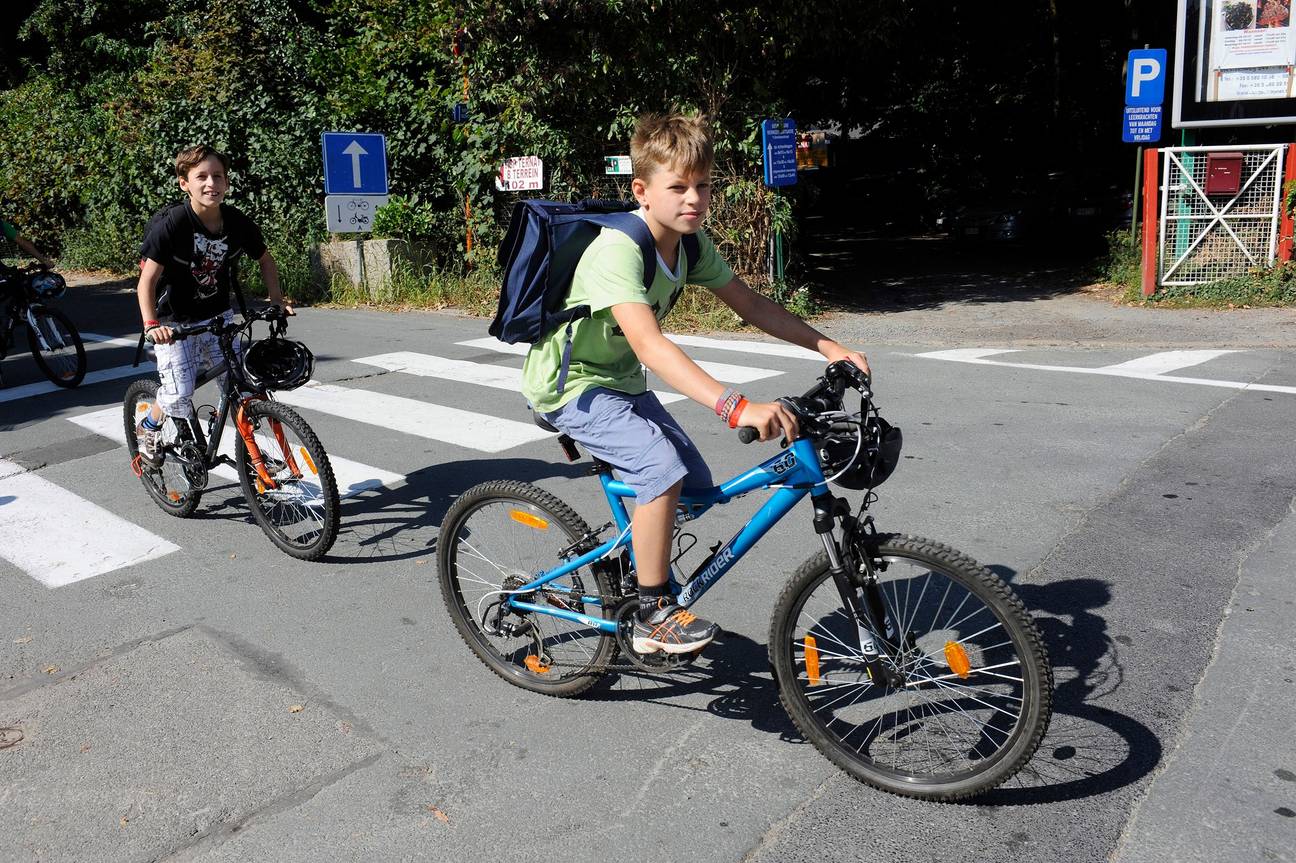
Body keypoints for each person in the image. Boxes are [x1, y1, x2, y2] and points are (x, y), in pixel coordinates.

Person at [521, 113, 870, 655]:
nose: (694, 199)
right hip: (572, 387)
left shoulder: (689, 245)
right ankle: (652, 610)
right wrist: (734, 406)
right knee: (660, 468)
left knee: (696, 486)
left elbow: (750, 303)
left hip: (619, 381)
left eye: (703, 186)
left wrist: (829, 346)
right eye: (678, 187)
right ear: (642, 190)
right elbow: (651, 345)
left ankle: (635, 555)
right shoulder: (616, 250)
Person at [134, 144, 292, 465]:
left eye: (217, 176)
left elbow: (265, 259)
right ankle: (148, 428)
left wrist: (276, 300)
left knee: (243, 384)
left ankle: (252, 455)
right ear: (184, 183)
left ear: (227, 182)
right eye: (201, 177)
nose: (211, 184)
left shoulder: (235, 222)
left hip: (218, 316)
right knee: (179, 393)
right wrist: (152, 326)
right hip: (173, 322)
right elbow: (146, 281)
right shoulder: (173, 224)